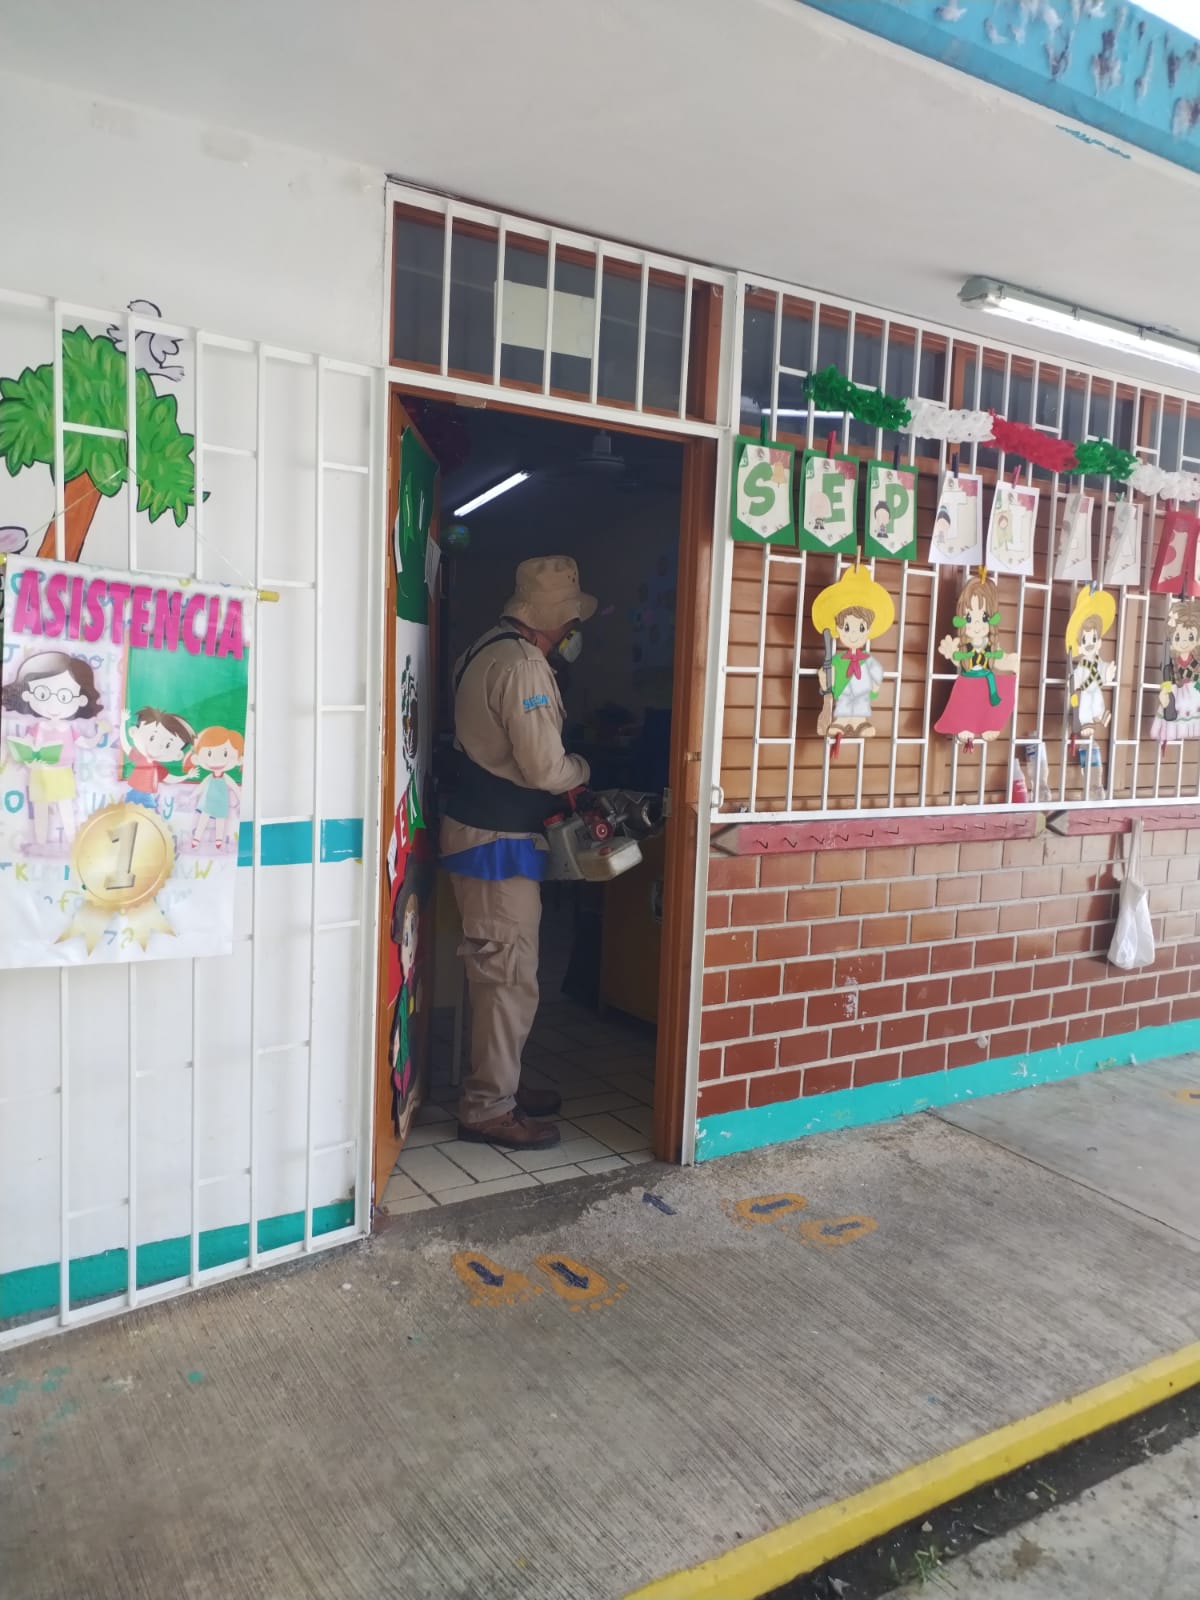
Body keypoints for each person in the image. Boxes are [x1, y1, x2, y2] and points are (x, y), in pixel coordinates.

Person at [441, 555, 595, 1151]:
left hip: (485, 834)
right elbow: (545, 769)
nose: (573, 631)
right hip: (497, 841)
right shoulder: (525, 665)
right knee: (506, 978)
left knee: (501, 971)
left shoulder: (484, 647)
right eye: (571, 620)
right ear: (556, 619)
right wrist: (584, 769)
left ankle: (501, 1083)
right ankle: (488, 1107)